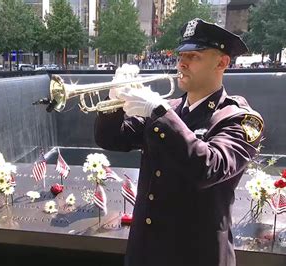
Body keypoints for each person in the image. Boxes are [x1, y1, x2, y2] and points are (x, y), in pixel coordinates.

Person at [95, 18, 264, 266]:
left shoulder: (240, 119)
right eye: (181, 55)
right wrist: (114, 101)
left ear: (222, 62)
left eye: (194, 56)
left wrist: (158, 112)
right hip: (146, 251)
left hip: (196, 254)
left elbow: (209, 167)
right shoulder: (170, 110)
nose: (182, 63)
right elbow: (111, 139)